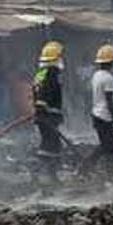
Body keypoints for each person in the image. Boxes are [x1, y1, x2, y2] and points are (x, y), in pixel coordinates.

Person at [32, 41, 66, 181]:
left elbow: (37, 93)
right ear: (55, 58)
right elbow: (45, 95)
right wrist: (48, 113)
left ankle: (45, 173)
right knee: (52, 144)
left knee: (48, 142)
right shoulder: (52, 73)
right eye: (60, 56)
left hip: (43, 116)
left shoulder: (40, 73)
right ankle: (47, 174)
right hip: (48, 116)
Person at [86, 44, 113, 179]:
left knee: (105, 145)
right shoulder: (108, 78)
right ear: (111, 61)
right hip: (105, 116)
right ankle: (108, 172)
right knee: (109, 147)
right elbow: (109, 99)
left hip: (96, 113)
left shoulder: (96, 75)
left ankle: (90, 166)